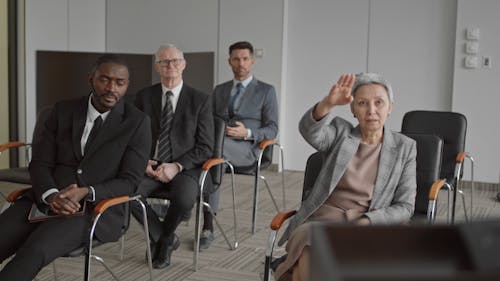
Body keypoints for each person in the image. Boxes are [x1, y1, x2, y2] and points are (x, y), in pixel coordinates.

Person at [0, 54, 152, 280]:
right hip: (46, 197)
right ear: (91, 79)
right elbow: (40, 163)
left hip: (95, 209)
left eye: (120, 83)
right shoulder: (62, 111)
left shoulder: (137, 122)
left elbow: (130, 181)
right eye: (105, 80)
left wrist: (86, 192)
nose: (112, 88)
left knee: (34, 250)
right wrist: (51, 195)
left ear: (127, 85)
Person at [274, 73, 417, 281]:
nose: (371, 111)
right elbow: (309, 132)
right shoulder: (341, 133)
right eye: (362, 103)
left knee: (302, 271)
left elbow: (405, 206)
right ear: (352, 109)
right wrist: (327, 104)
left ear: (390, 107)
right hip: (324, 220)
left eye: (379, 103)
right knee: (311, 243)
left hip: (369, 222)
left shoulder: (405, 147)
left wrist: (367, 221)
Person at [130, 44, 214, 269]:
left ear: (184, 65)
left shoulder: (200, 100)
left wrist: (176, 166)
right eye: (164, 62)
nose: (170, 65)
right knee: (125, 191)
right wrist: (143, 161)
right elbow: (133, 137)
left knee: (186, 199)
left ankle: (162, 240)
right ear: (157, 67)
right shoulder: (144, 96)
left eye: (175, 61)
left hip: (185, 167)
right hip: (150, 164)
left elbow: (206, 147)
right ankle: (165, 238)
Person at [201, 41, 279, 249]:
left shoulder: (266, 91)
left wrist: (248, 133)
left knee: (212, 154)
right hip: (220, 146)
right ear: (229, 62)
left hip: (249, 149)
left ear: (252, 61)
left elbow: (273, 129)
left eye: (245, 59)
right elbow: (207, 120)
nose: (241, 63)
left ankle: (196, 216)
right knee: (214, 158)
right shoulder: (220, 90)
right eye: (236, 59)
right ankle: (207, 223)